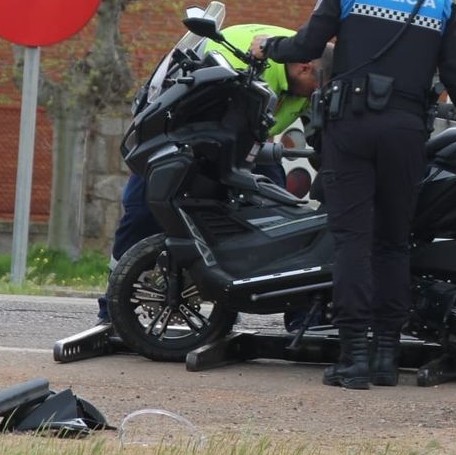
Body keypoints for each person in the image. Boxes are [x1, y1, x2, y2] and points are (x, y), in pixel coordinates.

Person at [252, 0, 456, 390]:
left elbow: (307, 48)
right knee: (395, 242)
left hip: (351, 128)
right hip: (405, 132)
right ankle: (385, 357)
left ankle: (353, 356)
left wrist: (267, 48)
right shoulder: (440, 1)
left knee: (353, 240)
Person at [95, 24, 327, 325]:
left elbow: (321, 131)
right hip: (185, 138)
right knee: (142, 211)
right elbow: (199, 112)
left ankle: (302, 316)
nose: (317, 94)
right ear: (304, 67)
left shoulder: (312, 76)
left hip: (250, 146)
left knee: (286, 220)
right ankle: (111, 312)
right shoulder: (245, 57)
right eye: (317, 86)